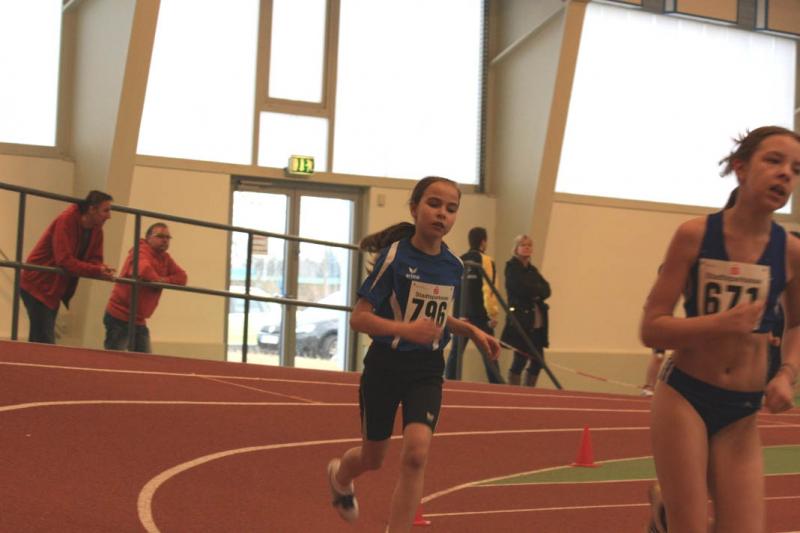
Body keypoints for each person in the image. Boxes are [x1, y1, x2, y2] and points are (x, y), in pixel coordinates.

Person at [640, 126, 800, 533]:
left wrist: (787, 373)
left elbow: (798, 323)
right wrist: (720, 323)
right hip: (685, 396)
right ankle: (671, 513)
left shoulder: (791, 250)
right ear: (740, 168)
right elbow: (652, 328)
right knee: (691, 526)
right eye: (774, 160)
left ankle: (664, 511)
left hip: (742, 410)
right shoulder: (695, 235)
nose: (786, 173)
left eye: (796, 169)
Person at [325, 176, 500, 532]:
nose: (442, 214)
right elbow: (359, 318)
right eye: (434, 204)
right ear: (414, 208)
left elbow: (436, 316)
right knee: (373, 457)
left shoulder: (453, 266)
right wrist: (406, 330)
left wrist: (469, 329)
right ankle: (340, 476)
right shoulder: (394, 257)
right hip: (386, 366)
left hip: (427, 368)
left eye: (451, 208)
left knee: (417, 454)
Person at [19, 190, 116, 344]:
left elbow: (95, 259)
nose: (109, 216)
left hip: (52, 288)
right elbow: (64, 260)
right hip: (37, 284)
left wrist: (101, 269)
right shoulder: (66, 219)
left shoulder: (97, 229)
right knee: (44, 341)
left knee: (41, 340)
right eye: (106, 210)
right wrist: (97, 270)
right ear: (92, 209)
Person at [104, 223, 188, 353]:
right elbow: (143, 270)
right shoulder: (140, 251)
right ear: (148, 238)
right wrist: (158, 280)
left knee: (145, 360)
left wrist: (162, 280)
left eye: (168, 237)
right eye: (160, 236)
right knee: (115, 360)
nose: (165, 240)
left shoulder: (165, 258)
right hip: (120, 316)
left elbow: (182, 277)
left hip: (138, 320)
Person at [444, 226, 504, 383]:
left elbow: (452, 288)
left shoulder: (460, 260)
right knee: (490, 351)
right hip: (480, 315)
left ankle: (449, 383)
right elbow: (489, 289)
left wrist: (455, 314)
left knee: (456, 353)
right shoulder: (486, 261)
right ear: (483, 242)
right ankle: (497, 385)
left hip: (460, 315)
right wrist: (493, 314)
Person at [500, 234, 551, 386]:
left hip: (536, 324)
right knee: (520, 359)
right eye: (523, 245)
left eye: (529, 245)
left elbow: (547, 289)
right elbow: (520, 288)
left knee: (538, 362)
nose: (527, 248)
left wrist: (535, 291)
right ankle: (514, 391)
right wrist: (535, 291)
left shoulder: (532, 270)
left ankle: (529, 390)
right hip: (521, 321)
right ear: (516, 248)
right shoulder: (512, 268)